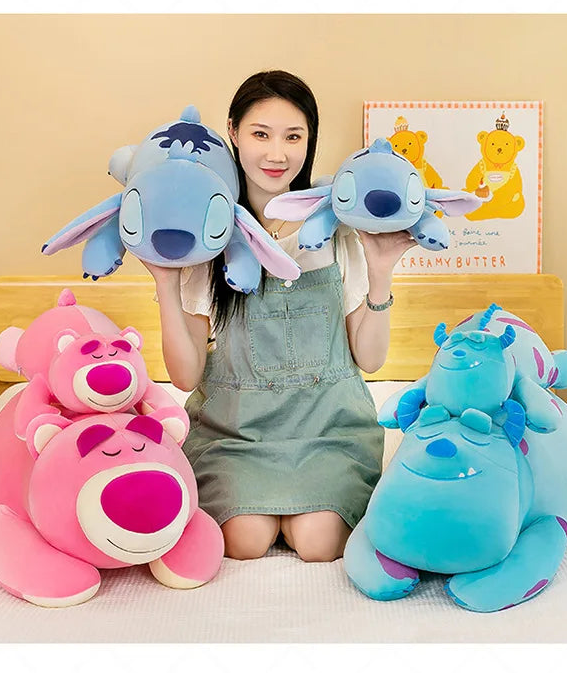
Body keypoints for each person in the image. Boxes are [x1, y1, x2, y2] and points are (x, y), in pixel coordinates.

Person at [144, 70, 416, 562]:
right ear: (233, 132)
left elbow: (370, 360)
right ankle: (269, 511)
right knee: (244, 541)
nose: (277, 154)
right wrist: (165, 282)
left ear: (310, 141)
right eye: (261, 134)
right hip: (235, 435)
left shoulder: (336, 229)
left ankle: (306, 511)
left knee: (320, 543)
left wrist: (380, 270)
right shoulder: (210, 235)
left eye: (293, 137)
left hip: (329, 431)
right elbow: (185, 377)